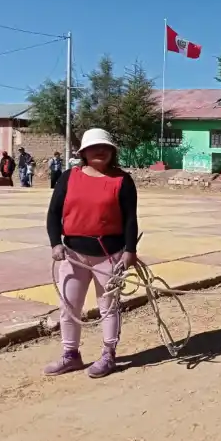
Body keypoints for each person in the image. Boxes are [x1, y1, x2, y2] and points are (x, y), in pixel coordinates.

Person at [44, 128, 139, 378]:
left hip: (110, 255)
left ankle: (108, 354)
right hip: (73, 254)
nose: (100, 151)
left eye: (105, 147)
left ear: (112, 151)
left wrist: (130, 250)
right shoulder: (68, 177)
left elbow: (131, 219)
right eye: (94, 148)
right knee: (68, 306)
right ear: (83, 152)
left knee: (108, 306)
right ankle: (70, 355)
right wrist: (56, 243)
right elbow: (54, 213)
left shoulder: (122, 181)